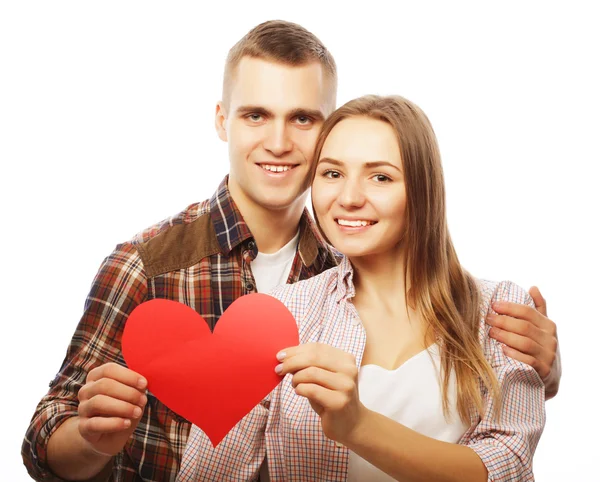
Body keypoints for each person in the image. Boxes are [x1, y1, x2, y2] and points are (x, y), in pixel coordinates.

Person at [22, 20, 559, 481]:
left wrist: (541, 373)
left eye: (302, 118)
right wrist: (93, 439)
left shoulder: (346, 256)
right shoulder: (149, 265)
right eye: (256, 114)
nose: (279, 141)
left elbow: (501, 443)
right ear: (221, 120)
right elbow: (47, 439)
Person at [178, 95, 546, 481]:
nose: (349, 199)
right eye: (332, 174)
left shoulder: (500, 309)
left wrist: (357, 426)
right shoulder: (276, 315)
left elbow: (509, 466)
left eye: (381, 177)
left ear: (423, 189)